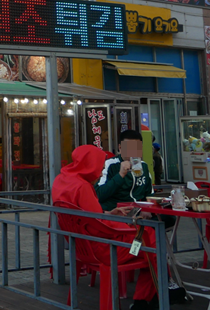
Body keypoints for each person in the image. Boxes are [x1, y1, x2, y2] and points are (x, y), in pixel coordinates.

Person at [53, 145, 174, 310]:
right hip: (106, 249)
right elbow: (99, 226)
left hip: (80, 245)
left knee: (149, 245)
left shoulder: (62, 180)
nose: (102, 169)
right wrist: (129, 225)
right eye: (100, 165)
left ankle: (148, 297)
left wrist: (110, 214)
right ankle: (150, 297)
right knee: (153, 245)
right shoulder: (82, 186)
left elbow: (90, 218)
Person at [96, 130, 153, 211]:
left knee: (169, 218)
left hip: (138, 210)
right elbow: (99, 195)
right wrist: (120, 175)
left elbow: (149, 194)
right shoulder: (109, 164)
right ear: (120, 148)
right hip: (116, 211)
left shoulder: (144, 166)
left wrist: (147, 210)